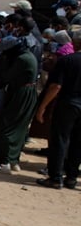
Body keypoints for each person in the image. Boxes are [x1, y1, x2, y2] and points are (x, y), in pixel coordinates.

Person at [35, 29, 81, 188]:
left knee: (60, 140)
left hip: (68, 103)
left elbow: (55, 86)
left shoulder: (67, 61)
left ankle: (55, 177)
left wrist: (42, 106)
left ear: (75, 43)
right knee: (78, 142)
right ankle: (72, 177)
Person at [0, 37, 38, 173]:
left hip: (21, 94)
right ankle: (13, 160)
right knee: (19, 128)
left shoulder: (21, 59)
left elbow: (7, 77)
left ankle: (4, 163)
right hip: (26, 92)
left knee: (5, 127)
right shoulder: (28, 55)